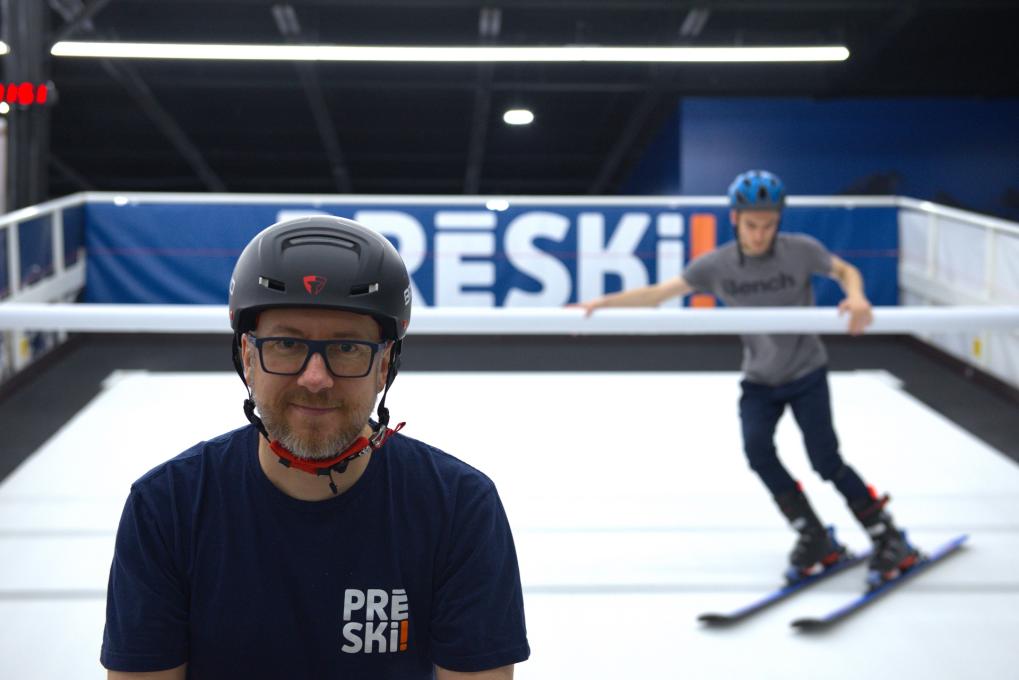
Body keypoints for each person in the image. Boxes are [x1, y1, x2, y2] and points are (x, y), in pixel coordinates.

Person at [101, 216, 530, 679]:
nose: (315, 378)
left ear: (383, 366)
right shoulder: (166, 508)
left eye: (347, 348)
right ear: (247, 357)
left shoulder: (459, 508)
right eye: (287, 344)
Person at [578, 170, 921, 588]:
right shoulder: (717, 264)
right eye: (752, 225)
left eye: (768, 225)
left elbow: (845, 271)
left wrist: (857, 296)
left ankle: (887, 535)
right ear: (735, 219)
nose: (760, 235)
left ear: (779, 222)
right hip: (760, 378)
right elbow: (658, 294)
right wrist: (601, 304)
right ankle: (814, 535)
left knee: (825, 460)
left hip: (806, 372)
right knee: (758, 452)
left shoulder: (800, 250)